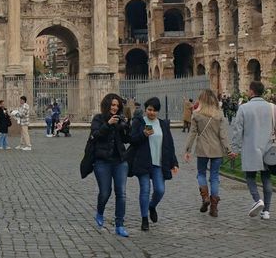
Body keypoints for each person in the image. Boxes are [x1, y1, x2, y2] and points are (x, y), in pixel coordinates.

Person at [128, 97, 179, 231]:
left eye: (155, 110)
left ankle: (151, 206)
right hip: (143, 161)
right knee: (145, 190)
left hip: (159, 163)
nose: (152, 113)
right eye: (150, 110)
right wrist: (143, 134)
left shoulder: (162, 124)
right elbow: (132, 140)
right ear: (145, 110)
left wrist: (174, 162)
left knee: (160, 190)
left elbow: (169, 145)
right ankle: (144, 219)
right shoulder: (139, 122)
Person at [184, 89, 231, 217]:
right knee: (215, 177)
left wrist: (188, 150)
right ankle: (214, 208)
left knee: (201, 174)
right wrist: (229, 149)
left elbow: (192, 133)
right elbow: (223, 135)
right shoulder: (219, 114)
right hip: (217, 150)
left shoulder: (196, 114)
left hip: (202, 149)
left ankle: (205, 198)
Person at [231, 81, 275, 219]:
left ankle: (257, 200)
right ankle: (266, 211)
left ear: (251, 91)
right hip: (268, 149)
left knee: (250, 177)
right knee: (266, 178)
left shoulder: (244, 108)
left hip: (251, 148)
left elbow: (238, 131)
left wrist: (235, 149)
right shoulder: (272, 107)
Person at [91, 93, 131, 237]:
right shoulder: (98, 119)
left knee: (121, 193)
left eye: (117, 106)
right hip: (102, 161)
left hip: (120, 161)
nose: (115, 108)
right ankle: (100, 211)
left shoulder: (120, 120)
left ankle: (119, 225)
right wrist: (108, 124)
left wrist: (127, 125)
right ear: (107, 105)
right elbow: (95, 135)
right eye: (113, 105)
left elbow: (127, 139)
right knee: (105, 192)